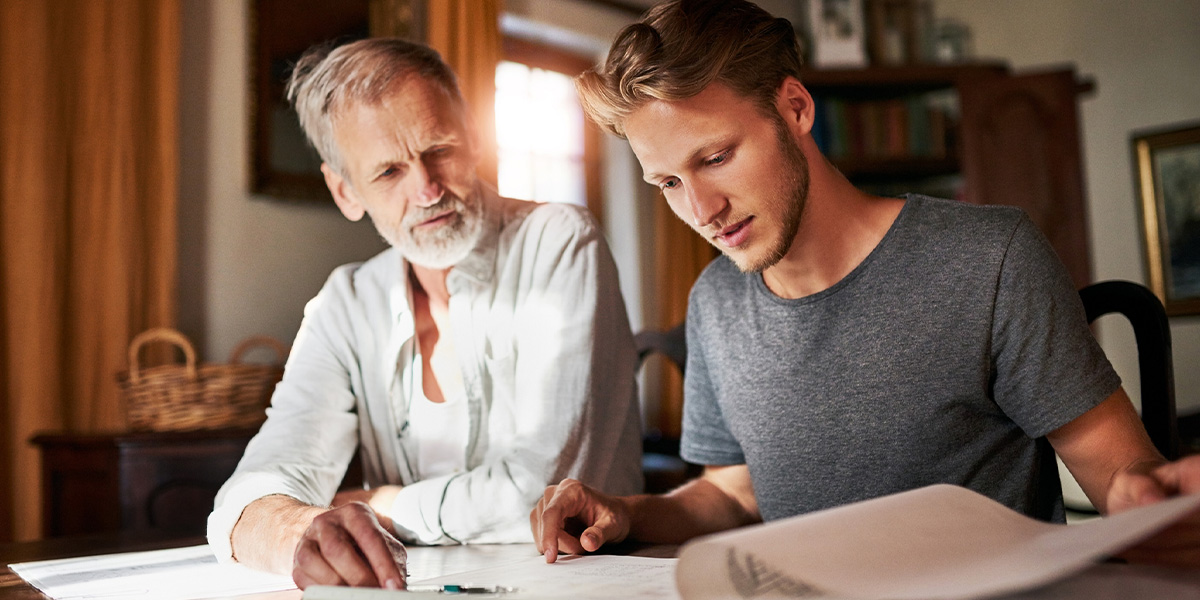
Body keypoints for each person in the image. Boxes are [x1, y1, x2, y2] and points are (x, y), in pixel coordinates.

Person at [531, 0, 1200, 567]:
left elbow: (1117, 470)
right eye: (669, 182)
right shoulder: (715, 303)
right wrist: (624, 513)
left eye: (716, 156)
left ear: (793, 108)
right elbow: (733, 494)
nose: (702, 211)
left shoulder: (990, 258)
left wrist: (1149, 497)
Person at [206, 37, 644, 589]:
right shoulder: (346, 303)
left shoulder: (558, 241)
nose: (427, 188)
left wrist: (378, 505)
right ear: (345, 191)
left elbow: (541, 495)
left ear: (476, 139)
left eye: (439, 149)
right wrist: (301, 529)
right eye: (388, 172)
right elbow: (244, 501)